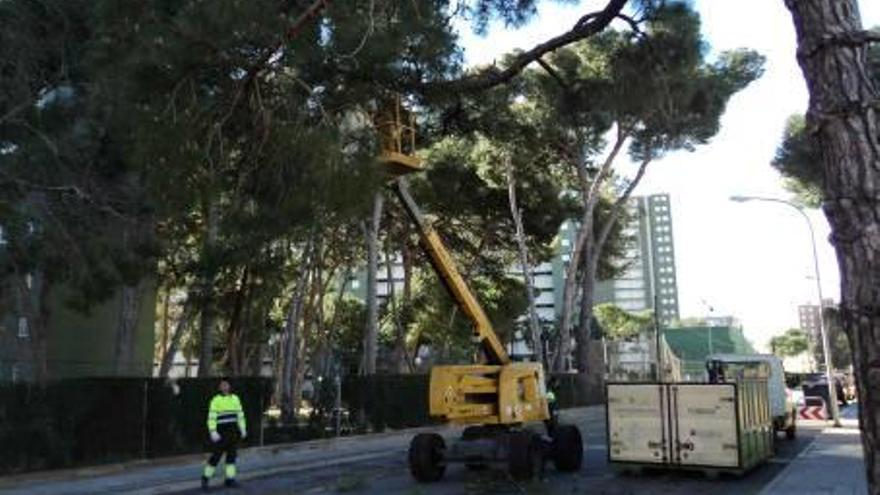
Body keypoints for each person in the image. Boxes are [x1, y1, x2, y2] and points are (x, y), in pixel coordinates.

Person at [202, 377, 247, 491]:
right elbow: (211, 417)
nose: (224, 387)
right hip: (221, 433)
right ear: (219, 387)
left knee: (231, 457)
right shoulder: (215, 400)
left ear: (229, 386)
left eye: (226, 385)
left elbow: (240, 415)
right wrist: (212, 431)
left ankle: (230, 479)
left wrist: (242, 428)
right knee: (215, 457)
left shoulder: (235, 399)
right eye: (222, 385)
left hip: (233, 433)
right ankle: (205, 479)